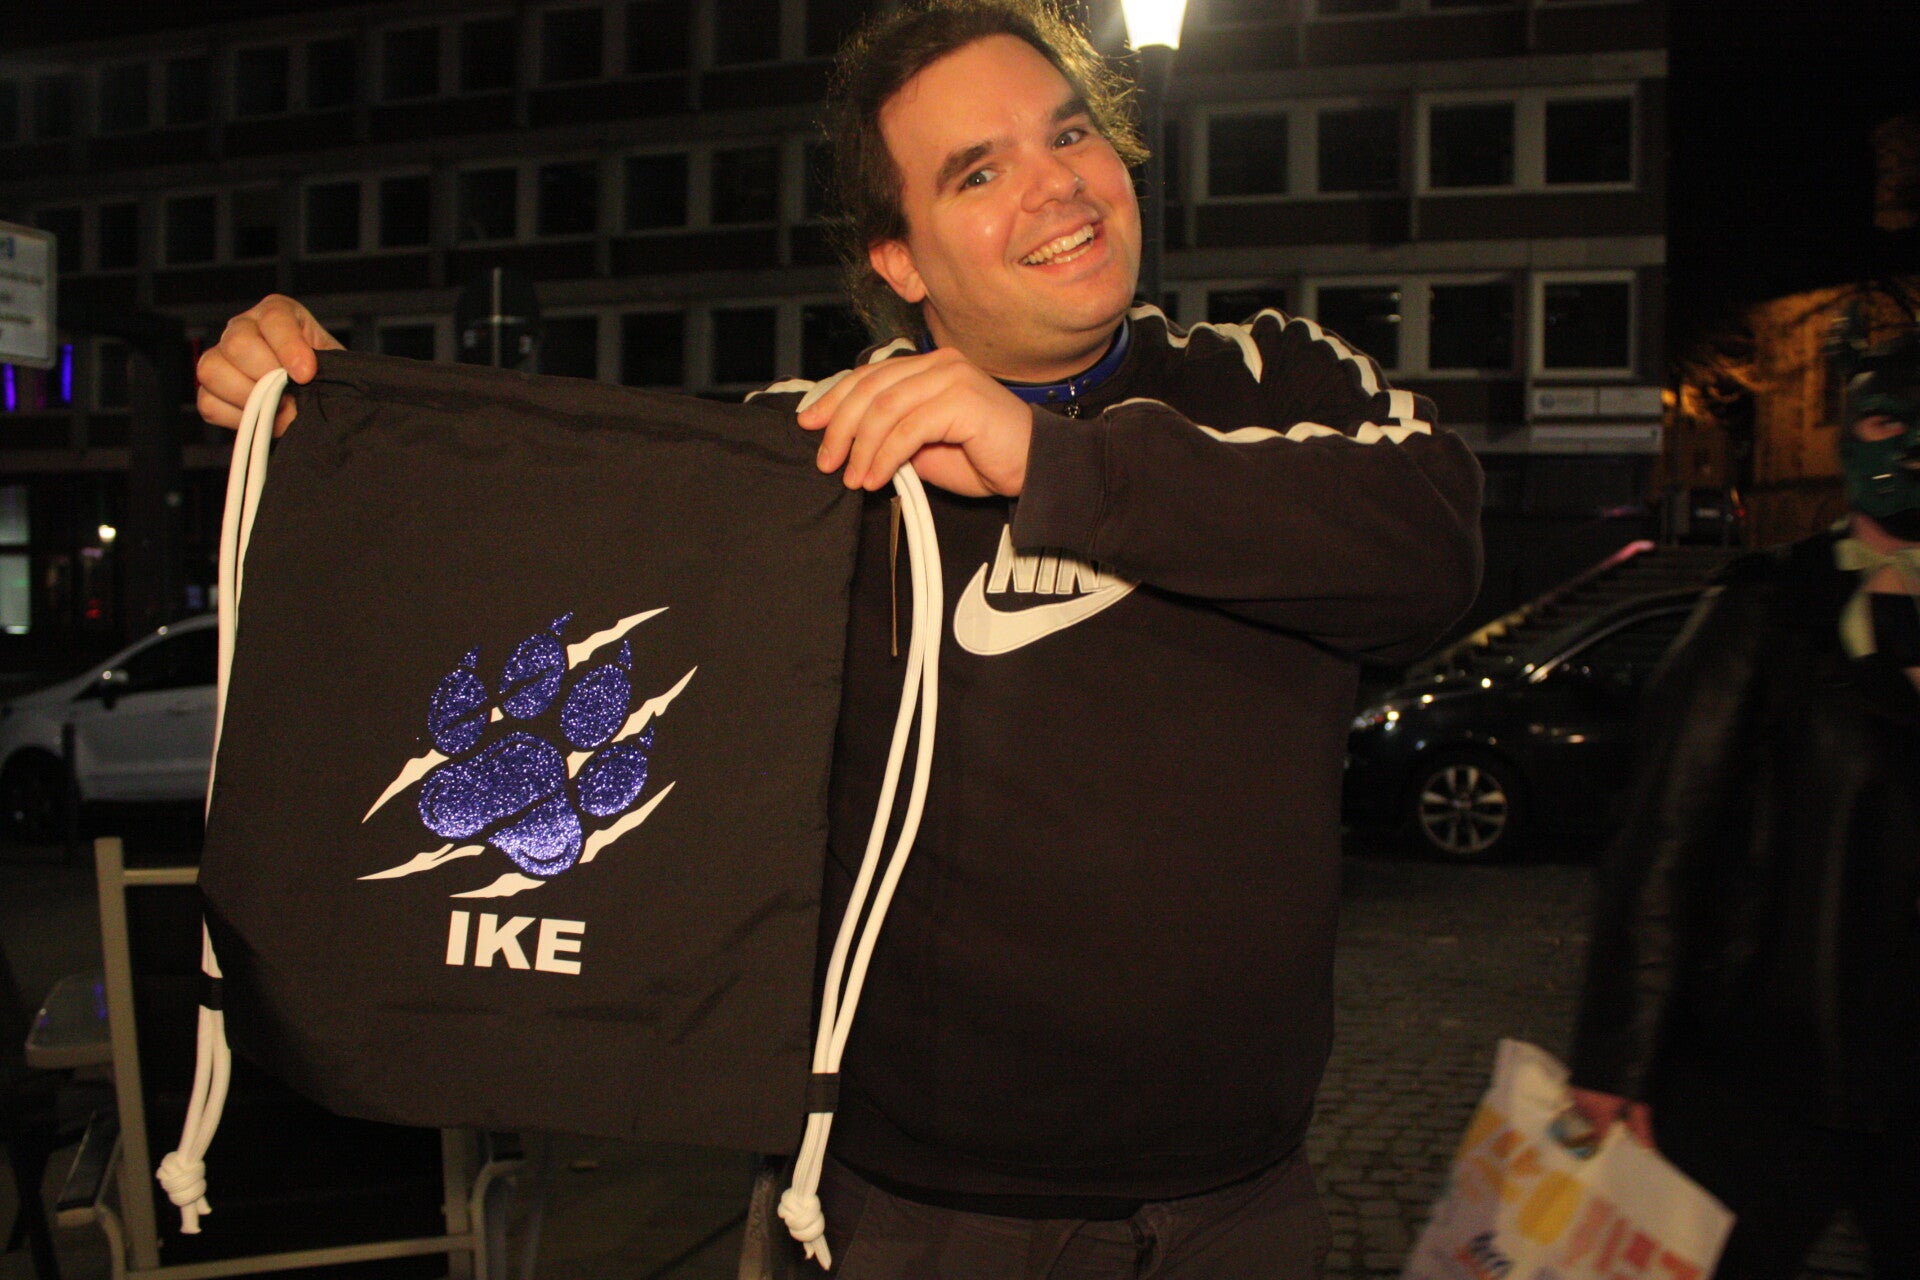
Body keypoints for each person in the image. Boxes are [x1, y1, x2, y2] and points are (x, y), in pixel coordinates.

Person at [196, 2, 1483, 1274]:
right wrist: (326, 428)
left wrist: (1051, 463)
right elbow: (524, 547)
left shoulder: (1275, 378)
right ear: (900, 261)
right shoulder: (809, 456)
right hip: (917, 1215)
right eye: (978, 171)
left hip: (1244, 1202)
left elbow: (1429, 554)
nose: (1057, 186)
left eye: (1068, 133)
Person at [1568, 318, 1920, 1280]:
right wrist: (1618, 1059)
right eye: (1887, 422)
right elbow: (1664, 836)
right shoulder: (1769, 609)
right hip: (1765, 1075)